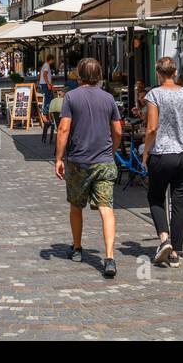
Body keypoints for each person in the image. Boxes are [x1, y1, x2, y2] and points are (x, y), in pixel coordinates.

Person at [55, 57, 122, 279]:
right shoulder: (109, 98)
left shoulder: (71, 97)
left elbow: (64, 129)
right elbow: (118, 131)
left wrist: (59, 158)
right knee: (107, 208)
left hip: (79, 161)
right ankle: (110, 257)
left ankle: (76, 248)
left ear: (80, 75)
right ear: (99, 75)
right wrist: (112, 151)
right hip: (104, 161)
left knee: (76, 206)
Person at [142, 56, 183, 267]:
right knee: (180, 202)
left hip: (163, 154)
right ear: (175, 73)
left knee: (156, 197)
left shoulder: (155, 94)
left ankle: (164, 240)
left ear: (159, 74)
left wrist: (146, 153)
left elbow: (151, 128)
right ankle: (175, 252)